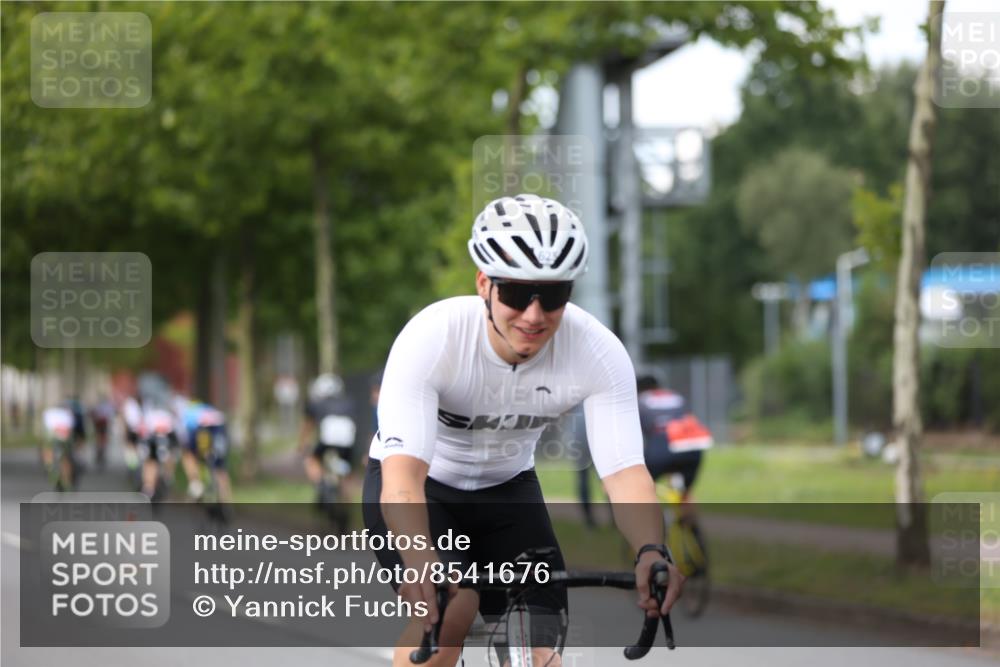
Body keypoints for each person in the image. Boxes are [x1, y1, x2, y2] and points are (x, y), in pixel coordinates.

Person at [362, 194, 683, 667]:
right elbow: (403, 480)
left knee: (541, 646)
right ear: (484, 285)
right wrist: (419, 559)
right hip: (422, 490)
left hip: (508, 491)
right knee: (454, 605)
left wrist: (650, 549)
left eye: (552, 296)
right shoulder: (432, 338)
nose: (534, 315)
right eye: (515, 292)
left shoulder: (597, 351)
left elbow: (625, 473)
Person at [636, 375, 713, 520]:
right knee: (684, 495)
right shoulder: (676, 397)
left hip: (661, 448)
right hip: (692, 449)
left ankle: (648, 530)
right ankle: (695, 536)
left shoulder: (640, 401)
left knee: (639, 489)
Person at [298, 373, 357, 497]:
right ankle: (346, 500)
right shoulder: (349, 402)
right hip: (347, 442)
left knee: (311, 460)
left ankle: (321, 483)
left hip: (327, 440)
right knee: (348, 472)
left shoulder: (317, 403)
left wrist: (302, 444)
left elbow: (308, 425)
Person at [177, 398, 232, 503]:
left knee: (189, 455)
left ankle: (196, 483)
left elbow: (188, 444)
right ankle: (225, 499)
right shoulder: (207, 411)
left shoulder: (189, 415)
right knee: (220, 468)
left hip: (203, 431)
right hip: (217, 431)